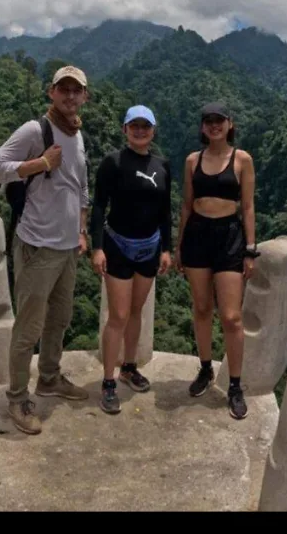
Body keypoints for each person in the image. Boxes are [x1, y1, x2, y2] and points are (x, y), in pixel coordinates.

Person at [0, 65, 92, 435]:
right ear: (52, 92)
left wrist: (82, 229)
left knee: (59, 320)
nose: (70, 96)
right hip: (36, 247)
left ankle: (49, 377)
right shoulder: (35, 130)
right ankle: (16, 397)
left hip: (66, 249)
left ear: (85, 97)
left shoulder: (78, 134)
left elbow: (80, 185)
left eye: (76, 91)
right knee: (28, 328)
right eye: (64, 89)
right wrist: (40, 163)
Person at [175, 102, 259, 420]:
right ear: (202, 127)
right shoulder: (192, 160)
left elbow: (248, 206)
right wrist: (180, 244)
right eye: (208, 121)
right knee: (201, 308)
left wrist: (250, 249)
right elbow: (186, 204)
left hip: (229, 237)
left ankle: (235, 385)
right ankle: (206, 368)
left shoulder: (242, 160)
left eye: (219, 121)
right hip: (197, 233)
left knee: (232, 317)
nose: (214, 126)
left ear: (229, 124)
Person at [89, 105, 173, 414]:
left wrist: (167, 248)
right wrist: (96, 248)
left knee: (136, 311)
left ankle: (129, 366)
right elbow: (99, 205)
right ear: (125, 129)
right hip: (118, 245)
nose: (140, 130)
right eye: (134, 125)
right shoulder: (113, 162)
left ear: (153, 130)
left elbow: (166, 210)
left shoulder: (162, 165)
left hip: (150, 246)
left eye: (145, 126)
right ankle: (108, 381)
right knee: (119, 315)